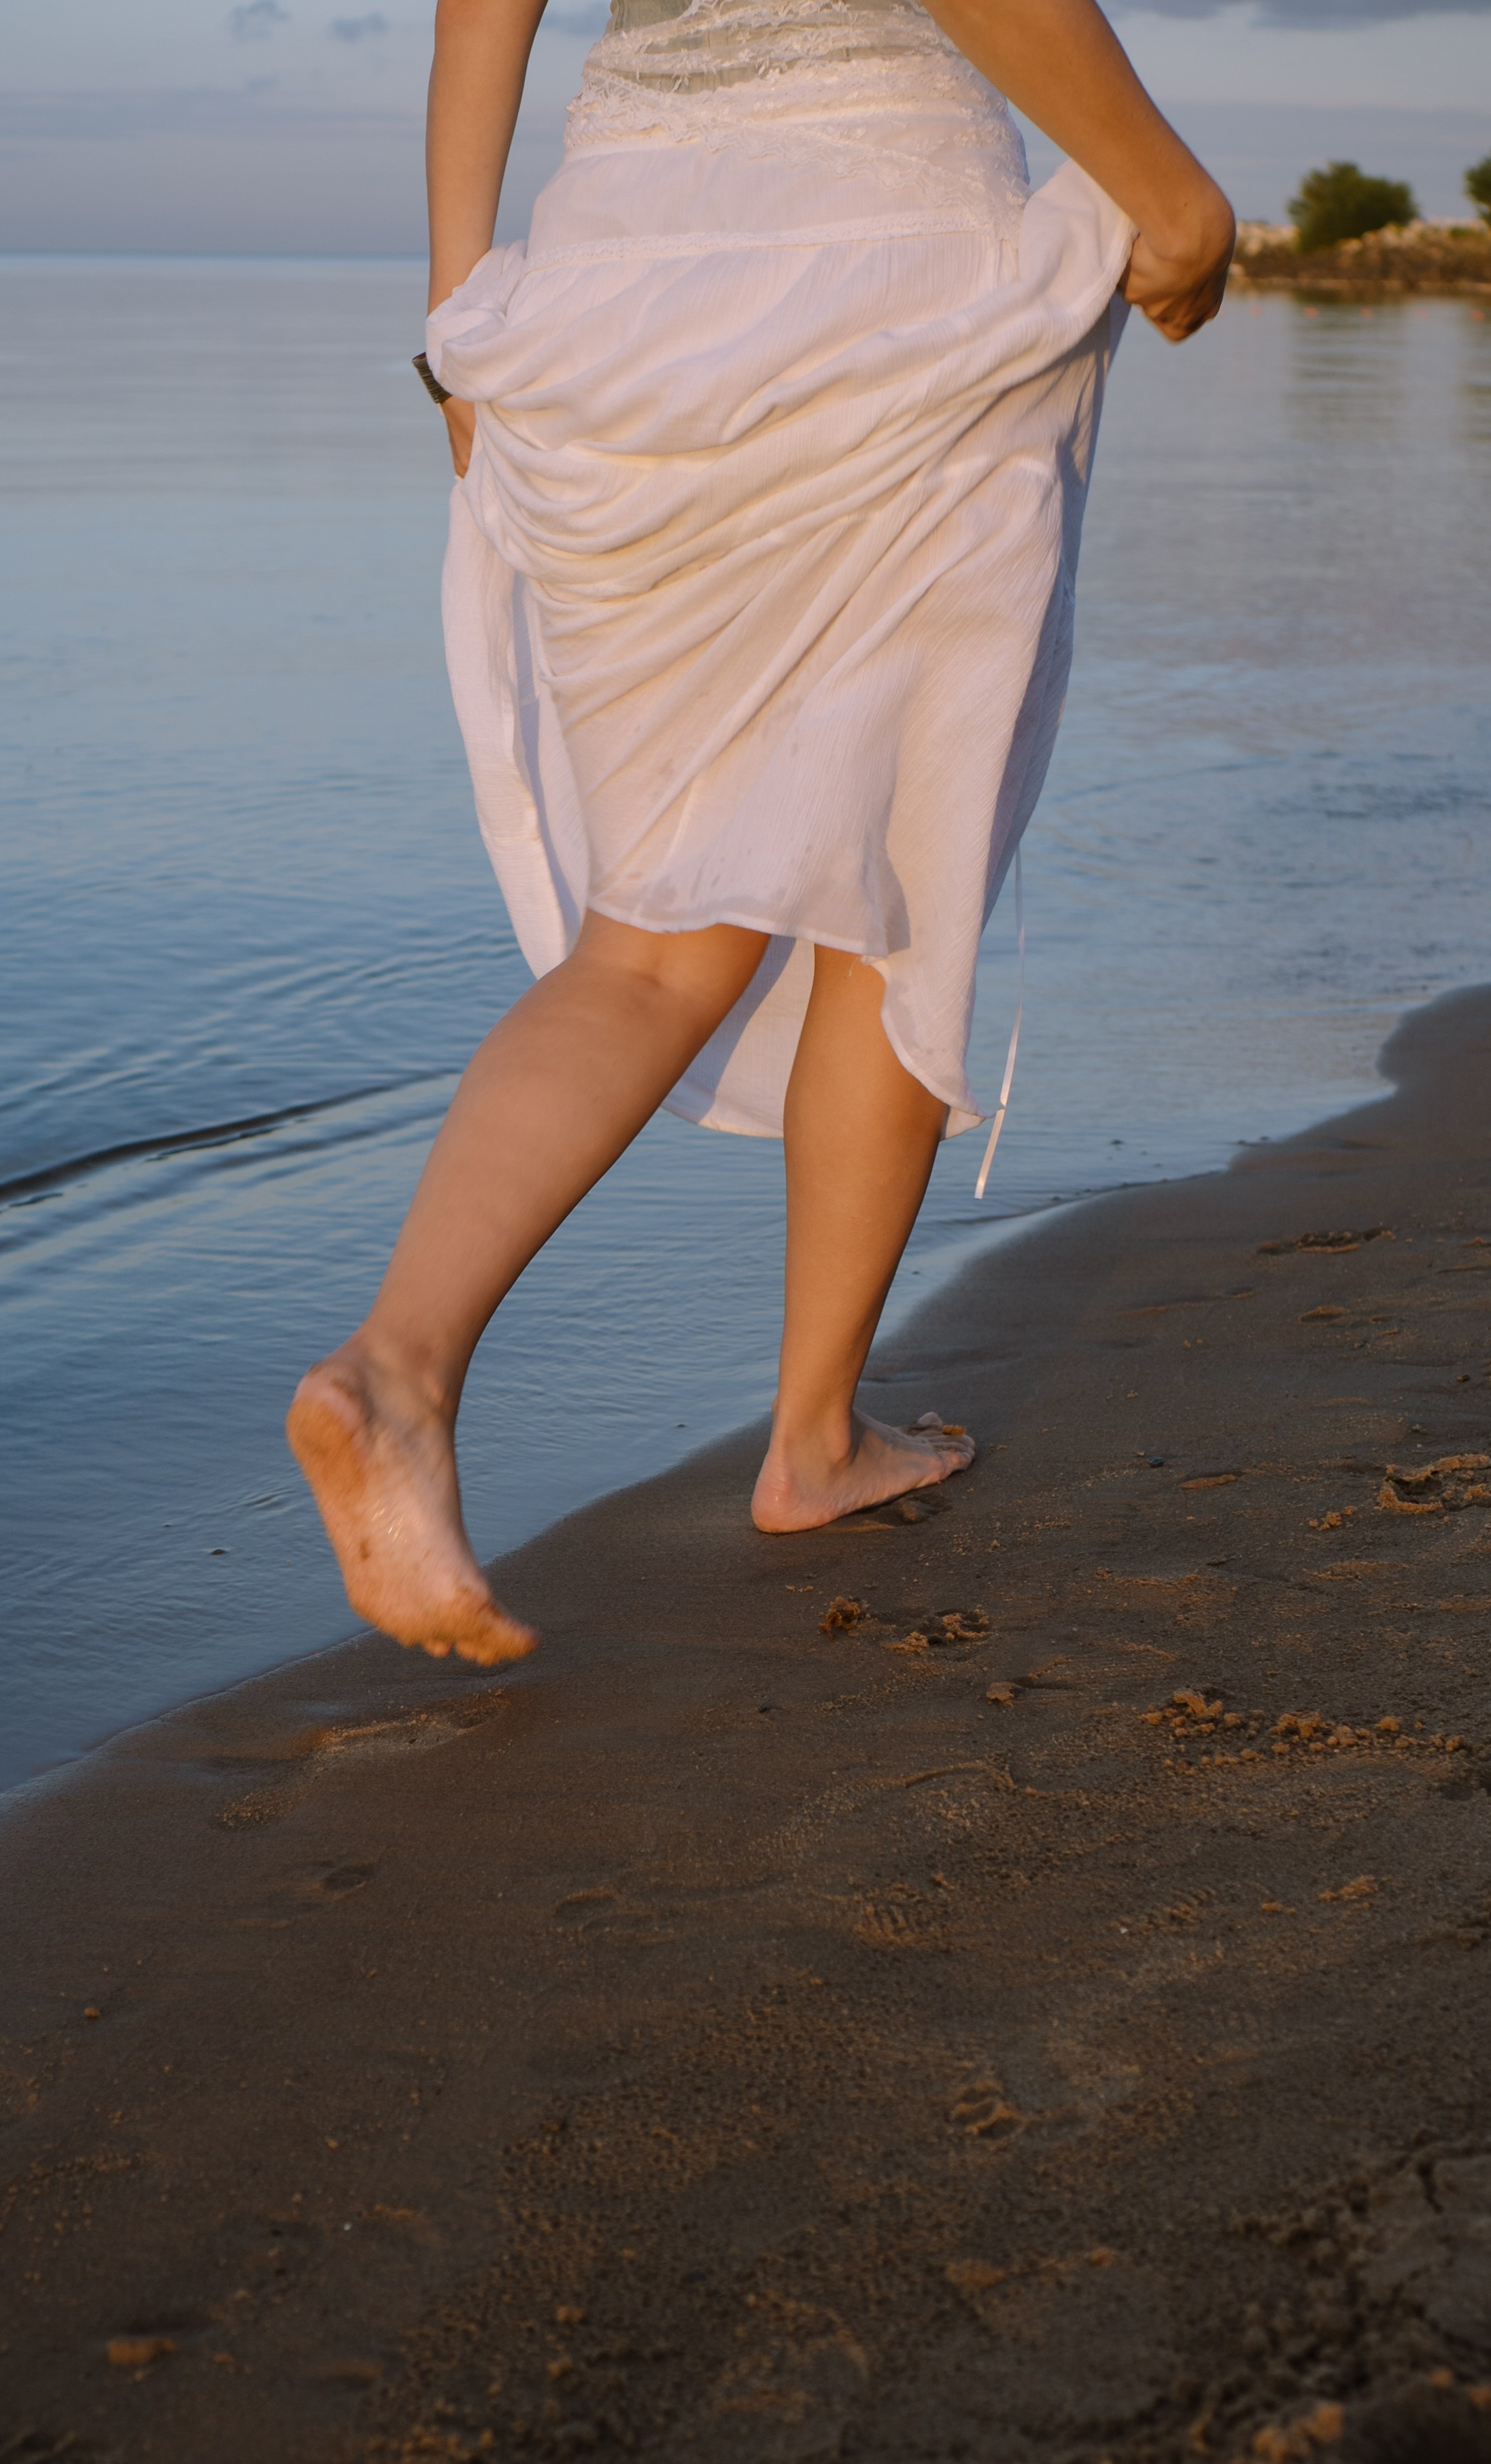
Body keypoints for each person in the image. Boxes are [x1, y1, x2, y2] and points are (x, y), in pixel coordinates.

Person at [288, 0, 1234, 1665]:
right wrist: (1166, 192)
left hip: (613, 269)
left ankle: (399, 1365)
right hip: (888, 245)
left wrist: (458, 319)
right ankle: (805, 1439)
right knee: (896, 874)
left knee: (649, 939)